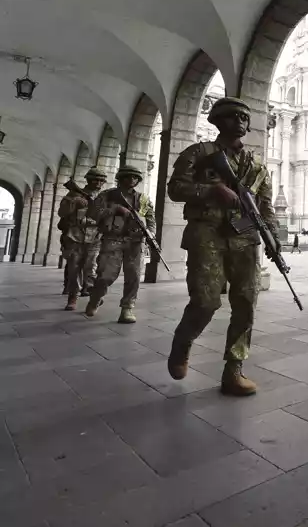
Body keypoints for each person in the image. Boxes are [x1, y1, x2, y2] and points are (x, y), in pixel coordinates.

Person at [165, 97, 278, 397]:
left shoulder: (257, 166)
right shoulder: (199, 154)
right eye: (232, 116)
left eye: (244, 116)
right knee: (206, 300)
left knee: (245, 303)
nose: (240, 121)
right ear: (217, 121)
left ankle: (234, 369)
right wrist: (211, 190)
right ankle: (183, 341)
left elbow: (266, 207)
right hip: (207, 232)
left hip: (244, 237)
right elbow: (175, 188)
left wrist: (273, 237)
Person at [84, 166, 156, 324]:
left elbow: (150, 218)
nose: (132, 180)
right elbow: (93, 214)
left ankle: (127, 308)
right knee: (105, 276)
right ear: (121, 178)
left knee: (134, 276)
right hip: (112, 239)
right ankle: (96, 298)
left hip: (135, 241)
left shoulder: (143, 198)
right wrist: (114, 209)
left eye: (135, 177)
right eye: (128, 177)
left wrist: (151, 234)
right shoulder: (107, 195)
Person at [58, 167, 107, 310]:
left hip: (95, 237)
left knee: (91, 267)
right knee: (74, 268)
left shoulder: (103, 197)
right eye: (95, 179)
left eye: (101, 180)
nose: (98, 182)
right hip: (75, 236)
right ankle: (73, 297)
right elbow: (62, 213)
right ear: (88, 180)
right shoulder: (73, 194)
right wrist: (74, 203)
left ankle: (93, 293)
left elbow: (107, 216)